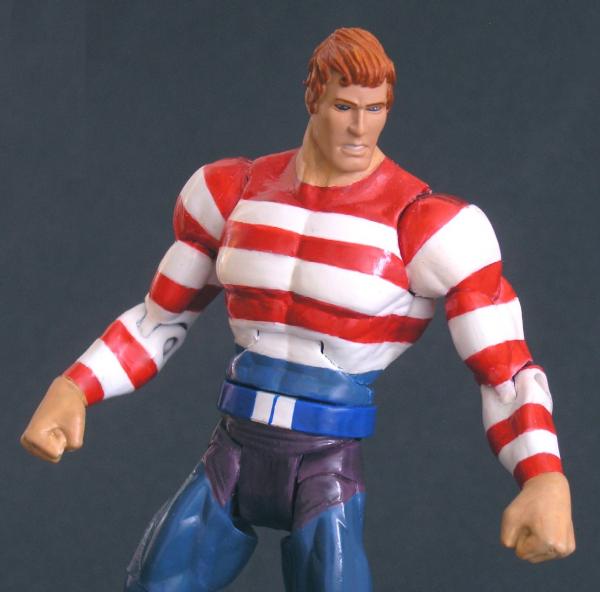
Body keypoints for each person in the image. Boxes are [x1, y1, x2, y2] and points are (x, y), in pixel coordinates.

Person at [21, 27, 575, 592]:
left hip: (324, 465)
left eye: (375, 109)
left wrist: (544, 476)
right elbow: (159, 319)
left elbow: (505, 371)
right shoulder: (231, 192)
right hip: (234, 448)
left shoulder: (428, 226)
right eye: (344, 106)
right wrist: (74, 387)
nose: (360, 128)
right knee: (154, 582)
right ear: (313, 98)